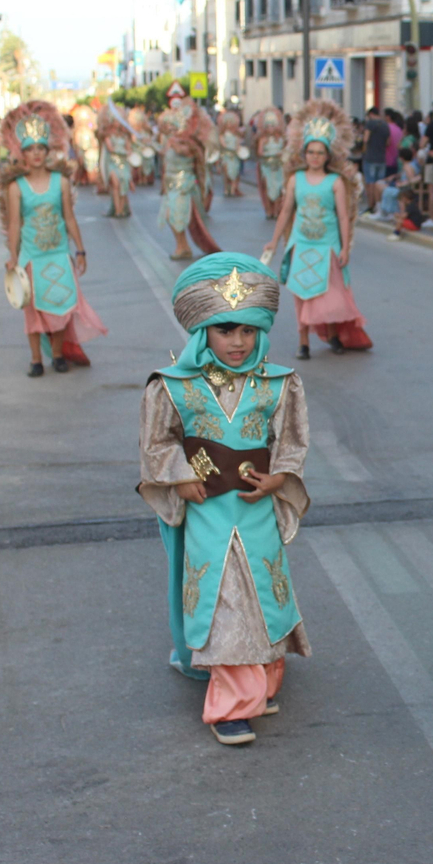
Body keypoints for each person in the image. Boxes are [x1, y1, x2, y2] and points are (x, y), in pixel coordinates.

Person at [138, 252, 312, 746]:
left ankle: (260, 682)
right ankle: (231, 705)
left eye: (247, 331)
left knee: (264, 597)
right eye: (225, 331)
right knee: (224, 600)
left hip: (257, 511)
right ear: (202, 333)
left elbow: (292, 442)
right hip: (208, 512)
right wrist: (178, 478)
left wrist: (280, 477)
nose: (237, 343)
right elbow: (158, 444)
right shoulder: (176, 386)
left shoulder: (277, 383)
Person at [0, 101, 106, 377]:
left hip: (58, 254)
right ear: (22, 153)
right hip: (31, 258)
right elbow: (14, 225)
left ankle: (57, 355)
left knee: (61, 308)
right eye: (30, 149)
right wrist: (13, 259)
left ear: (48, 150)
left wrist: (80, 250)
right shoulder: (15, 187)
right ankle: (36, 360)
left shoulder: (61, 182)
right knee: (33, 313)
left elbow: (69, 218)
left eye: (40, 148)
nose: (35, 154)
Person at [264, 99, 371, 357]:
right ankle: (303, 343)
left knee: (330, 294)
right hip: (300, 243)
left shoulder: (335, 182)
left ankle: (334, 335)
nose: (315, 157)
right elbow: (287, 211)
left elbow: (343, 217)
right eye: (310, 152)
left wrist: (345, 247)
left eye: (320, 153)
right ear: (304, 153)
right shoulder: (295, 179)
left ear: (327, 155)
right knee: (302, 294)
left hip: (328, 245)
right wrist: (275, 240)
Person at [156, 83, 221, 261]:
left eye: (173, 127)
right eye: (169, 127)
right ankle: (182, 246)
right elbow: (164, 155)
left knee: (177, 216)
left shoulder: (189, 143)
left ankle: (183, 246)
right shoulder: (170, 141)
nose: (170, 129)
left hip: (184, 185)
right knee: (171, 217)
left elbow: (184, 152)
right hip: (171, 185)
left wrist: (172, 140)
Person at [96, 103, 138, 218]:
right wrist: (123, 151)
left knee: (123, 186)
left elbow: (129, 149)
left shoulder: (125, 136)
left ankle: (123, 209)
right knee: (115, 184)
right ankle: (118, 211)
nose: (117, 122)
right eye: (114, 120)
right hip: (112, 163)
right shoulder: (107, 135)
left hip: (123, 164)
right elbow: (110, 149)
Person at [254, 107, 289, 220]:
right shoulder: (263, 139)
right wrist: (269, 154)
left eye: (273, 125)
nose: (271, 128)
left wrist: (281, 154)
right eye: (268, 126)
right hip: (267, 166)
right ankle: (269, 210)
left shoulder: (281, 139)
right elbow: (260, 152)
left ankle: (277, 210)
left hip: (278, 166)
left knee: (279, 189)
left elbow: (286, 151)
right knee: (268, 188)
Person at [360, 107, 391, 211]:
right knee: (380, 183)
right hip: (381, 158)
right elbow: (388, 142)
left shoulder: (370, 124)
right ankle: (379, 206)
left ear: (371, 114)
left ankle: (371, 206)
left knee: (370, 183)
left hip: (370, 157)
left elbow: (365, 139)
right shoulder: (385, 125)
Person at [214, 108, 246, 199]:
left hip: (234, 156)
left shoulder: (236, 135)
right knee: (226, 173)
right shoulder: (222, 135)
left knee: (235, 173)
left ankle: (232, 189)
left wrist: (238, 149)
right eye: (228, 122)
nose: (230, 125)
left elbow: (238, 144)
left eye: (231, 123)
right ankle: (226, 188)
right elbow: (223, 144)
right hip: (226, 156)